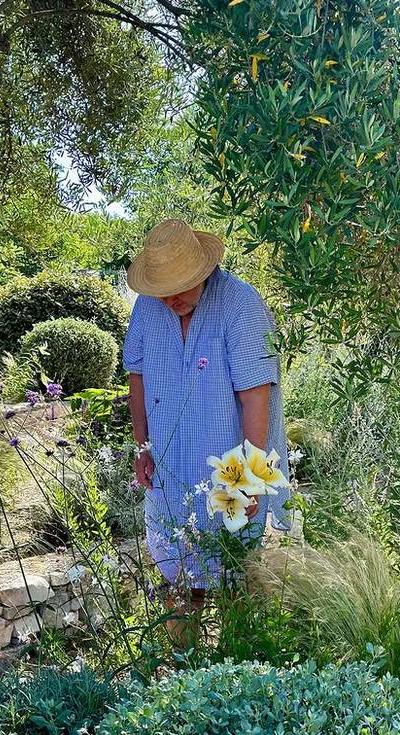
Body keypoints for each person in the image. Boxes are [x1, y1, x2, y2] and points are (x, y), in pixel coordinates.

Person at [122, 218, 290, 644]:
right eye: (163, 289)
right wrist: (142, 447)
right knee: (178, 580)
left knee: (236, 576)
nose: (170, 298)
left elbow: (256, 398)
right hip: (170, 467)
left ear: (203, 271)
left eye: (180, 286)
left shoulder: (241, 304)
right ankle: (182, 669)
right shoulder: (148, 305)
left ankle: (237, 668)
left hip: (230, 469)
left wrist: (248, 480)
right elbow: (137, 378)